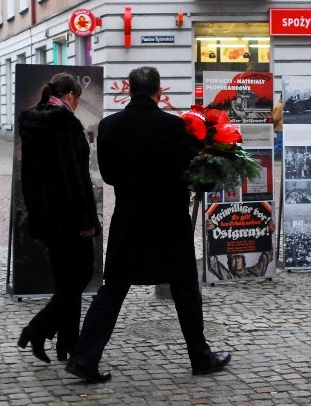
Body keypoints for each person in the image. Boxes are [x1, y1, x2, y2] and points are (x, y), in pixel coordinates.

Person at [65, 66, 231, 384]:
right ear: (160, 92)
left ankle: (84, 358)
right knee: (185, 289)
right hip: (170, 221)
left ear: (128, 90)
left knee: (112, 289)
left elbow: (110, 176)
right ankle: (200, 356)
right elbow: (192, 175)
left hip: (129, 220)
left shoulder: (109, 127)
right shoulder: (175, 127)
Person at [16, 72, 100, 365]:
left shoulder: (31, 121)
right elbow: (73, 177)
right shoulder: (65, 124)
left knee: (66, 281)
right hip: (69, 218)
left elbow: (29, 176)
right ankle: (38, 329)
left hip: (47, 217)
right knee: (80, 276)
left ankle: (68, 344)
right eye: (77, 100)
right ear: (71, 96)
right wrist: (87, 219)